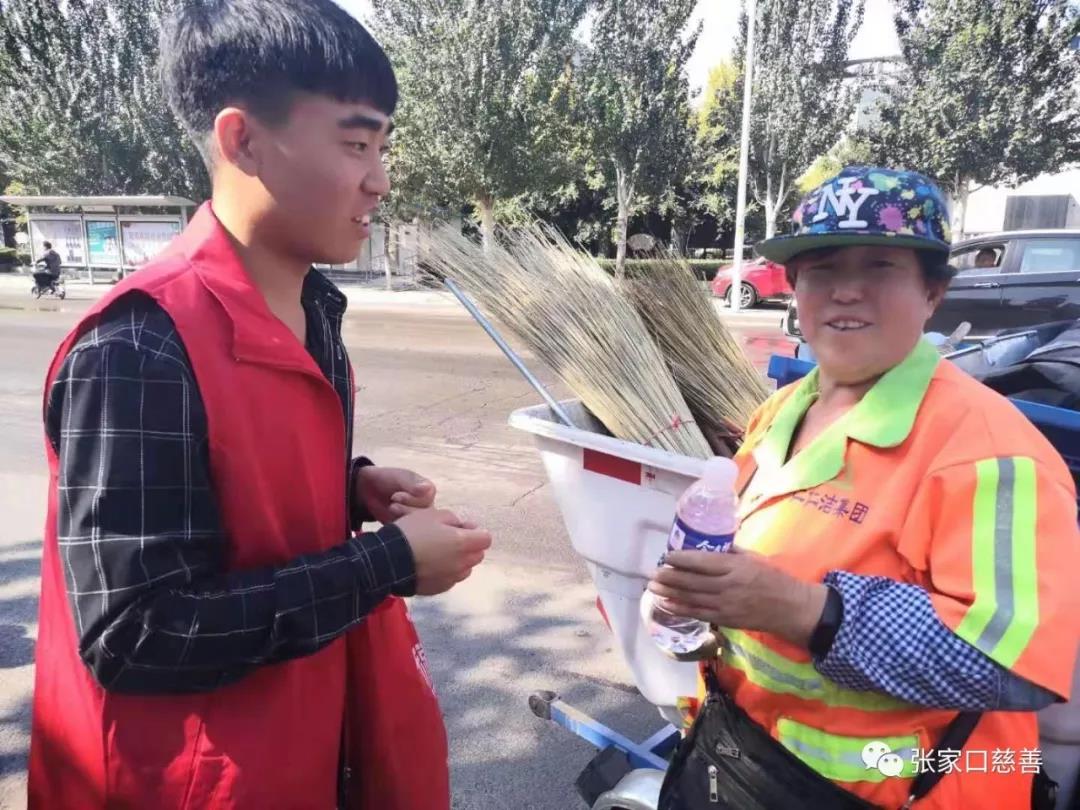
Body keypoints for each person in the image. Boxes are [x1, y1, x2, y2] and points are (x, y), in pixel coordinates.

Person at [28, 1, 491, 808]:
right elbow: (134, 630)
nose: (380, 179)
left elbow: (228, 482)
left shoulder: (313, 309)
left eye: (383, 147)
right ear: (242, 140)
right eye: (356, 145)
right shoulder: (138, 346)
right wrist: (387, 564)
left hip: (306, 747)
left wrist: (351, 486)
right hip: (192, 783)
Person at [651, 166, 1080, 810]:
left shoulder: (991, 453)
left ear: (933, 292)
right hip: (746, 761)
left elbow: (1014, 666)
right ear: (796, 288)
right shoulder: (786, 409)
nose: (846, 291)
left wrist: (806, 610)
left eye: (880, 266)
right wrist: (692, 608)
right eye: (821, 269)